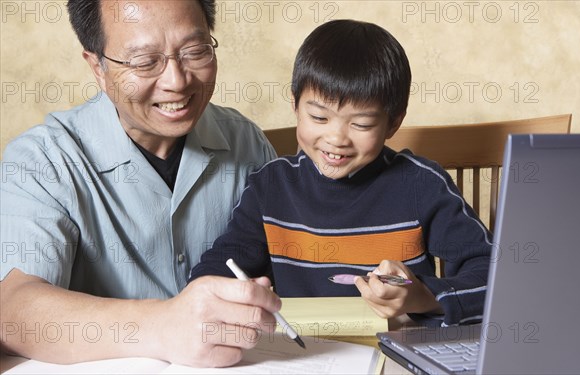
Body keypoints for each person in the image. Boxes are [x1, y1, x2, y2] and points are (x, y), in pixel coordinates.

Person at [0, 0, 282, 368]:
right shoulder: (43, 162)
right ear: (96, 67)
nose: (177, 81)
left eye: (195, 51)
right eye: (145, 62)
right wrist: (164, 326)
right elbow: (14, 311)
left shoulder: (247, 142)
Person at [189, 19, 492, 327]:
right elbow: (223, 263)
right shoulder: (271, 186)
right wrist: (210, 296)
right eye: (319, 117)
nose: (336, 139)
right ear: (294, 105)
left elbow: (497, 278)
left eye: (360, 124)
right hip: (304, 353)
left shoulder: (422, 184)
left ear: (394, 122)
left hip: (399, 352)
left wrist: (422, 296)